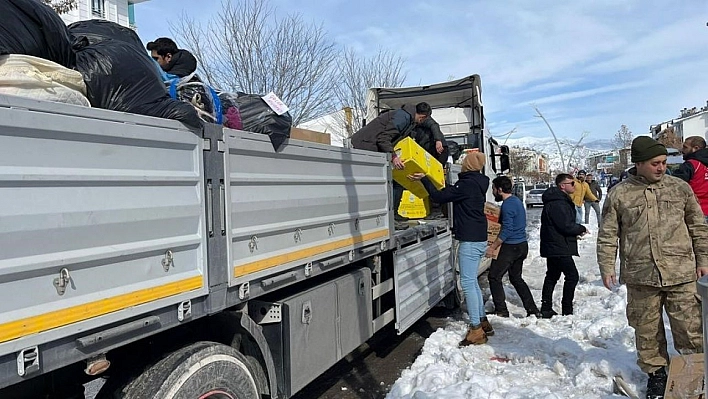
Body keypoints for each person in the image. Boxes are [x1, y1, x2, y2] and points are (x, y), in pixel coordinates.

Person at [597, 136, 708, 399]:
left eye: (664, 162)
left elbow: (697, 226)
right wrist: (606, 265)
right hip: (641, 274)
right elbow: (608, 233)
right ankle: (657, 374)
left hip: (681, 272)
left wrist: (703, 259)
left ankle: (695, 372)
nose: (662, 168)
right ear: (639, 163)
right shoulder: (620, 194)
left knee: (689, 328)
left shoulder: (680, 188)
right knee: (646, 330)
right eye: (655, 163)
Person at [408, 152, 492, 345]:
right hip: (478, 237)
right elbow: (452, 191)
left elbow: (440, 196)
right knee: (473, 283)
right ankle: (482, 321)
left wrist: (425, 179)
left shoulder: (467, 184)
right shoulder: (477, 183)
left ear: (468, 165)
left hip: (469, 240)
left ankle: (476, 330)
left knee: (468, 283)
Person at [351, 103, 432, 227]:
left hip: (371, 146)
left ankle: (393, 215)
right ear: (423, 117)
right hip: (365, 146)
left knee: (397, 181)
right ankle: (390, 218)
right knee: (389, 182)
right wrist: (394, 157)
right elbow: (383, 138)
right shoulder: (403, 117)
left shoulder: (409, 119)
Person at [485, 176, 541, 318]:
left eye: (493, 189)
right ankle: (532, 309)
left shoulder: (508, 205)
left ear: (499, 189)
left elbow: (507, 229)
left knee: (494, 276)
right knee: (516, 278)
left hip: (511, 247)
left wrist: (493, 246)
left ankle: (501, 310)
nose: (493, 192)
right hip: (522, 245)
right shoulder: (516, 201)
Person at [539, 173, 587, 318]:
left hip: (555, 244)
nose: (575, 185)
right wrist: (580, 228)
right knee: (572, 276)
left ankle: (546, 307)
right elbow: (565, 226)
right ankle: (567, 309)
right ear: (562, 186)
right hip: (558, 245)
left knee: (552, 275)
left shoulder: (559, 200)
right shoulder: (558, 203)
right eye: (572, 183)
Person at [673, 136, 708, 222]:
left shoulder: (691, 165)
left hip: (696, 212)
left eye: (685, 147)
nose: (682, 150)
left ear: (695, 148)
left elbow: (675, 185)